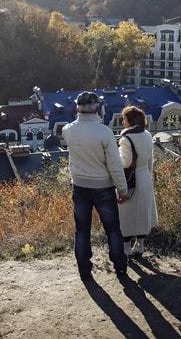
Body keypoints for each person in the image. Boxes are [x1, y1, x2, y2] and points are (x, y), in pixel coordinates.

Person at [62, 91, 129, 282]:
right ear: (97, 108)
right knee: (113, 229)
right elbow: (115, 166)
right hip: (103, 187)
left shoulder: (68, 130)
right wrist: (122, 189)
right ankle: (120, 267)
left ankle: (84, 270)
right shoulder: (104, 132)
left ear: (77, 108)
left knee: (82, 229)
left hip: (79, 186)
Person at [117, 105, 158, 256]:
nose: (123, 122)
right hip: (145, 176)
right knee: (142, 212)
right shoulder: (147, 134)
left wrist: (113, 156)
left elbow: (125, 162)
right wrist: (148, 175)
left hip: (130, 180)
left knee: (127, 214)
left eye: (124, 119)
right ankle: (139, 245)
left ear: (130, 120)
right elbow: (150, 160)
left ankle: (126, 248)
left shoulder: (126, 138)